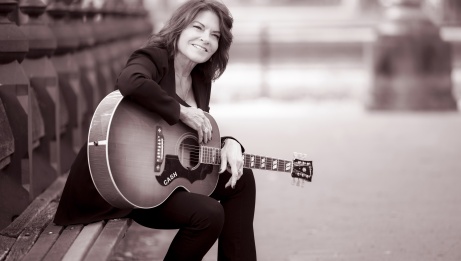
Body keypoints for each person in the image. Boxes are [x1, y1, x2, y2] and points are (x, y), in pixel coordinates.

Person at [53, 0, 257, 260]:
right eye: (199, 27)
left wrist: (231, 143)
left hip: (159, 182)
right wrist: (181, 110)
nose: (206, 39)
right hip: (118, 183)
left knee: (241, 179)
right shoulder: (155, 56)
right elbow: (130, 80)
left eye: (215, 35)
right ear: (180, 26)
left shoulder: (200, 78)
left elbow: (193, 136)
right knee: (208, 214)